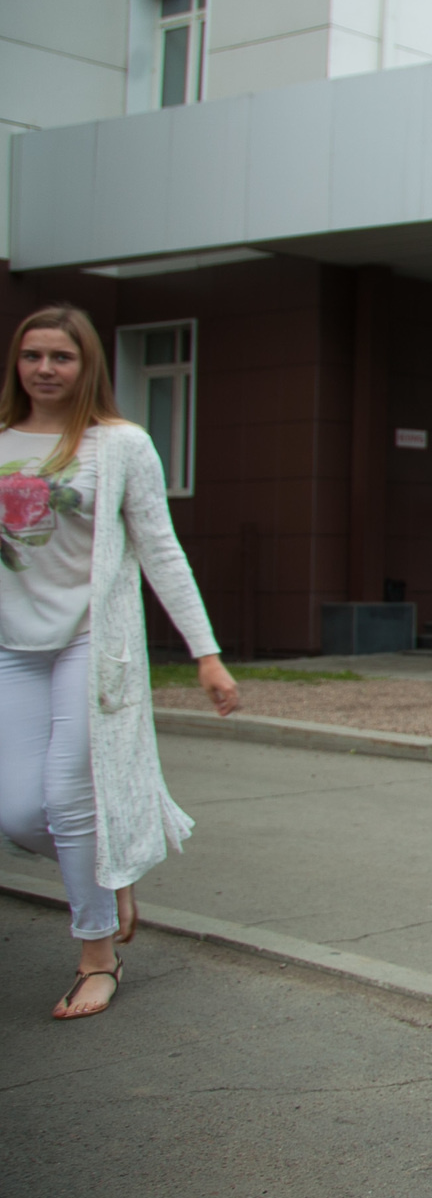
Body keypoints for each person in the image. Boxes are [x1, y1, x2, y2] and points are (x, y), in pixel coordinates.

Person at [1, 305, 238, 1020]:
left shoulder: (121, 445)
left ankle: (97, 954)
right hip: (11, 645)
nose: (45, 368)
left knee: (69, 798)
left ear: (88, 366)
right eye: (32, 355)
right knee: (15, 811)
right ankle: (107, 874)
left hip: (87, 643)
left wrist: (207, 655)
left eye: (61, 357)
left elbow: (161, 551)